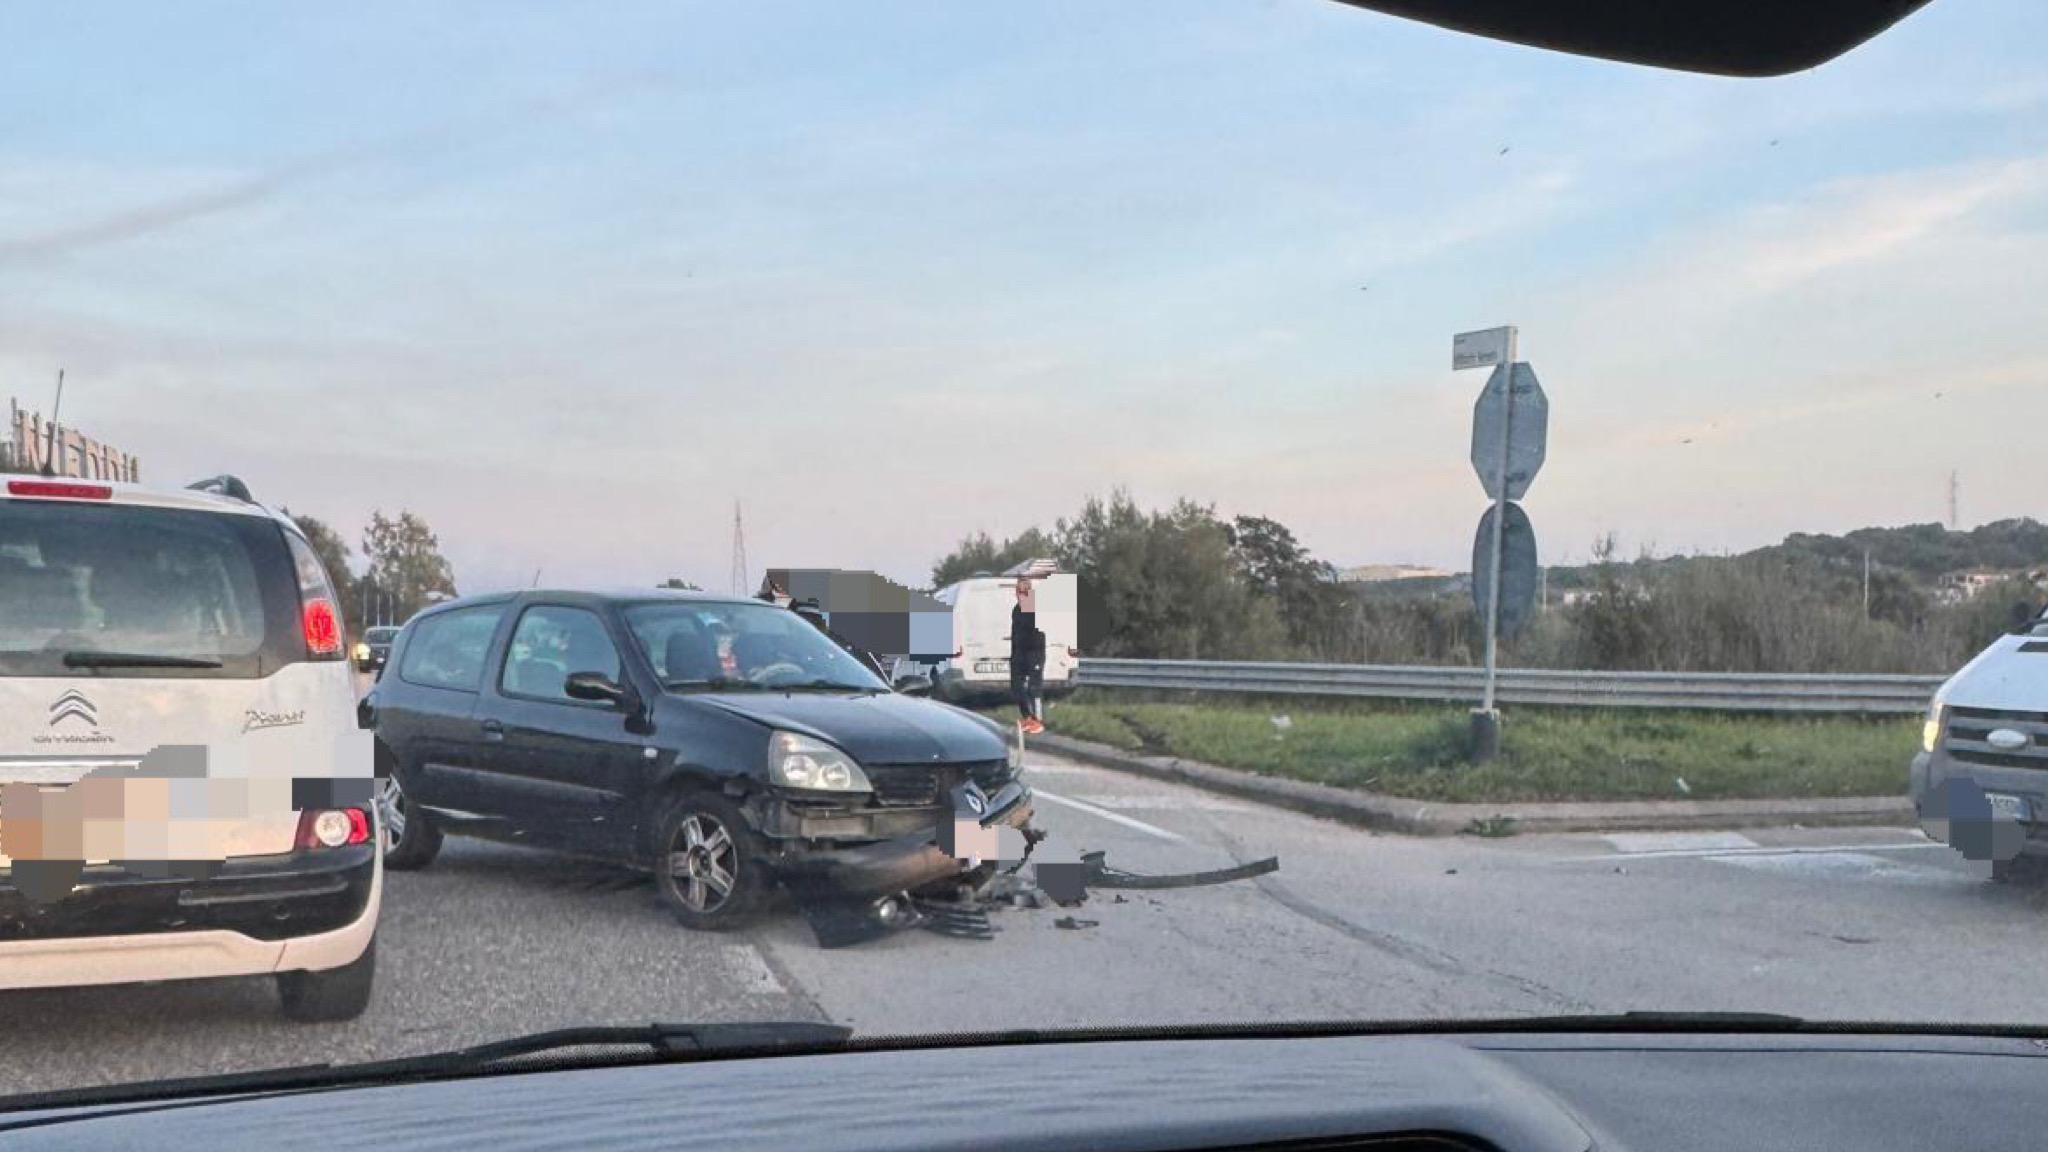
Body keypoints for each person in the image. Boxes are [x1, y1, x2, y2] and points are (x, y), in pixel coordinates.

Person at [1010, 576, 1047, 734]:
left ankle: (1037, 720)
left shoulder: (1035, 608)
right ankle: (1027, 717)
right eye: (1018, 591)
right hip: (1019, 652)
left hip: (1034, 652)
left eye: (1024, 591)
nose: (1020, 594)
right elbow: (1015, 632)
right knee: (1017, 686)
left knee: (1034, 686)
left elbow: (1038, 632)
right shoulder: (1016, 609)